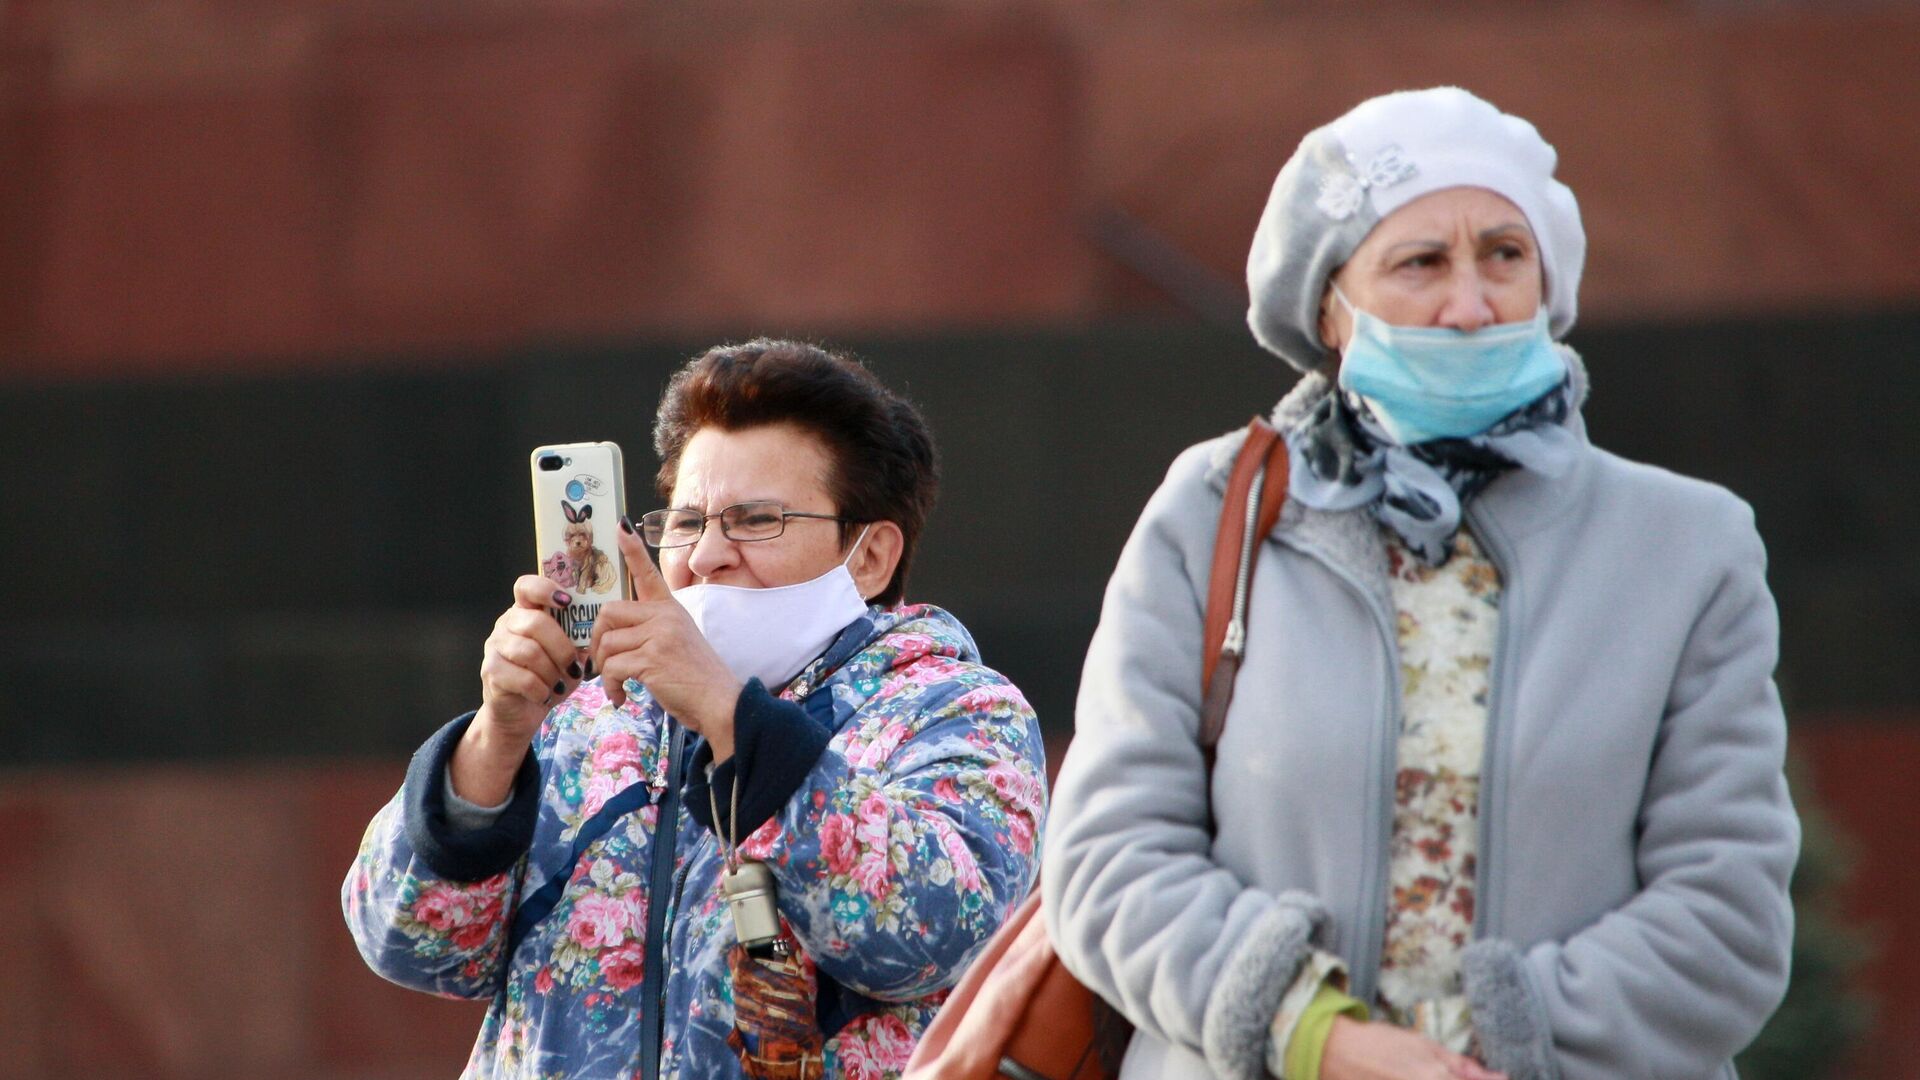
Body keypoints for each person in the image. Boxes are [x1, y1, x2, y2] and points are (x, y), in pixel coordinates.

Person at [1042, 87, 1798, 1080]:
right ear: (1329, 309)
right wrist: (1324, 1043)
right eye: (1421, 263)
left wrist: (1488, 1050)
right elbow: (1109, 862)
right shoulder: (1212, 512)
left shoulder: (1689, 548)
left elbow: (1729, 911)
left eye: (1503, 255)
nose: (1471, 303)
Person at [344, 339, 1047, 1080]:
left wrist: (726, 714)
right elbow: (408, 944)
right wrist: (498, 734)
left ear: (868, 556)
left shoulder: (958, 710)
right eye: (685, 523)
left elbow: (940, 937)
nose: (706, 555)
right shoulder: (583, 714)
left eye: (756, 520)